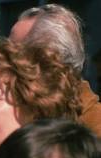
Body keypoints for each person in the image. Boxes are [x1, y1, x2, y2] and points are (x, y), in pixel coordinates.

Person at [9, 3, 101, 136]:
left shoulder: (93, 131)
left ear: (49, 58)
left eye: (14, 54)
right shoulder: (14, 114)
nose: (4, 62)